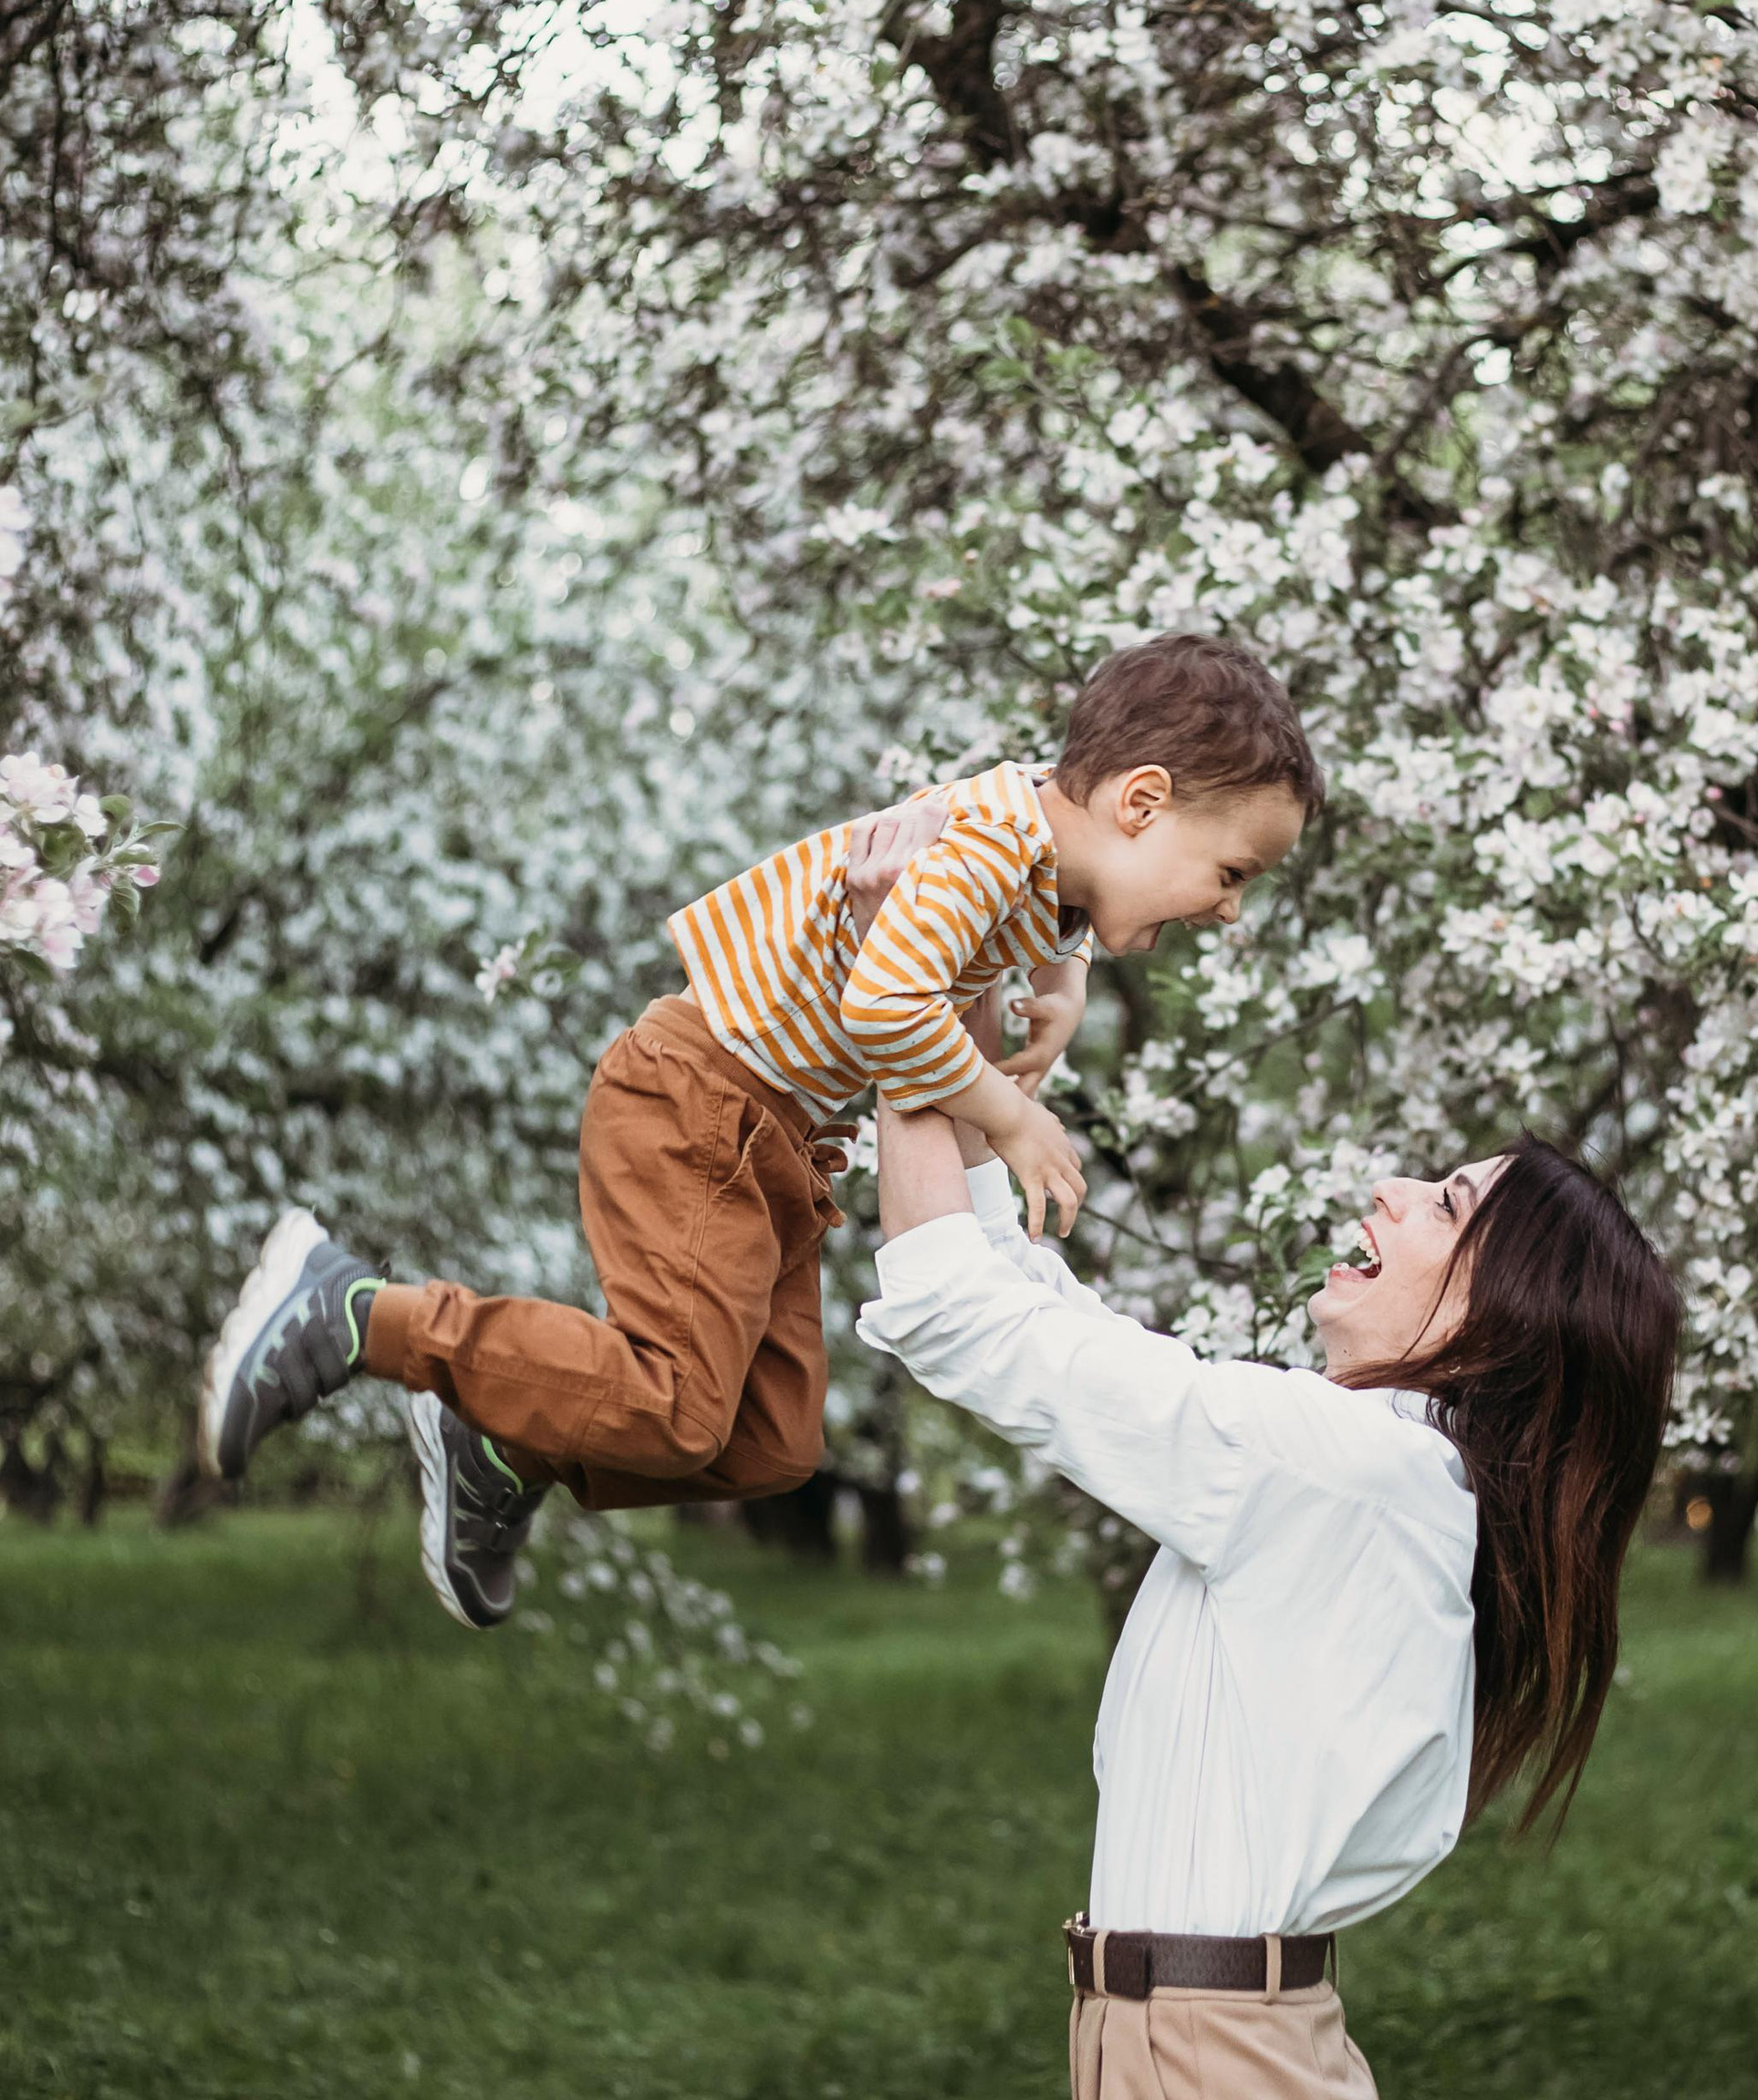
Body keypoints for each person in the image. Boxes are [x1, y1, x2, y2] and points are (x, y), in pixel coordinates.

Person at [858, 1088, 1679, 2100]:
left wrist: (909, 1061)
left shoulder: (1341, 1471)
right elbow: (1055, 1322)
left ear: (1499, 1313)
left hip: (1208, 2066)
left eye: (1446, 1199)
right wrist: (976, 1088)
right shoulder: (1365, 1474)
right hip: (1203, 2052)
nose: (1386, 1189)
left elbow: (968, 1315)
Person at [193, 633, 1323, 1628]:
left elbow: (1051, 873)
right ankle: (358, 1314)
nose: (1229, 908)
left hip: (775, 1139)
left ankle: (505, 1445)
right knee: (673, 1405)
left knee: (770, 1444)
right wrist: (1008, 1114)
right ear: (1141, 802)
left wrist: (1065, 976)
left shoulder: (1042, 836)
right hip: (701, 1102)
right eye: (1232, 873)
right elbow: (888, 1008)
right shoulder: (978, 847)